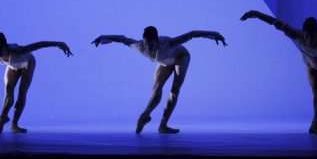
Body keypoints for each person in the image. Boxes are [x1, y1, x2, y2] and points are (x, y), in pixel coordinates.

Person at [92, 26, 227, 134]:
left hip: (181, 57)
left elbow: (192, 34)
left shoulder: (168, 43)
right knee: (156, 91)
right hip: (164, 63)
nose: (148, 48)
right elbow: (123, 39)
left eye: (151, 44)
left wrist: (214, 34)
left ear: (157, 41)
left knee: (174, 91)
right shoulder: (140, 47)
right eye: (146, 44)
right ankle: (144, 116)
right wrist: (103, 37)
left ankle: (163, 125)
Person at [240, 10, 317, 134]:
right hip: (312, 65)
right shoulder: (296, 35)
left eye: (313, 36)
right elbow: (275, 22)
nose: (310, 40)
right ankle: (316, 123)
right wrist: (255, 13)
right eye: (307, 36)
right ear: (303, 33)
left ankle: (316, 121)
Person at [0, 33, 73, 133]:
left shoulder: (17, 50)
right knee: (8, 89)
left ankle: (14, 124)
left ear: (5, 46)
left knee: (22, 92)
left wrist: (59, 44)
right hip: (12, 65)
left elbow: (39, 44)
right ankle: (3, 118)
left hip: (27, 62)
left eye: (0, 50)